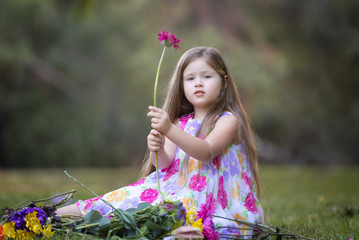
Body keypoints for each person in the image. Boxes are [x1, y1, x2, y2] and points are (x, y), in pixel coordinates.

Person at [56, 46, 265, 237]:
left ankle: (181, 232)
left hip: (215, 203)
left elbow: (206, 151)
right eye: (190, 78)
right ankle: (47, 216)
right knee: (117, 200)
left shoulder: (228, 121)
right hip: (174, 191)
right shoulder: (179, 122)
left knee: (181, 222)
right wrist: (156, 149)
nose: (198, 82)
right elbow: (165, 165)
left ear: (224, 82)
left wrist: (168, 130)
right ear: (182, 85)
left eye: (207, 76)